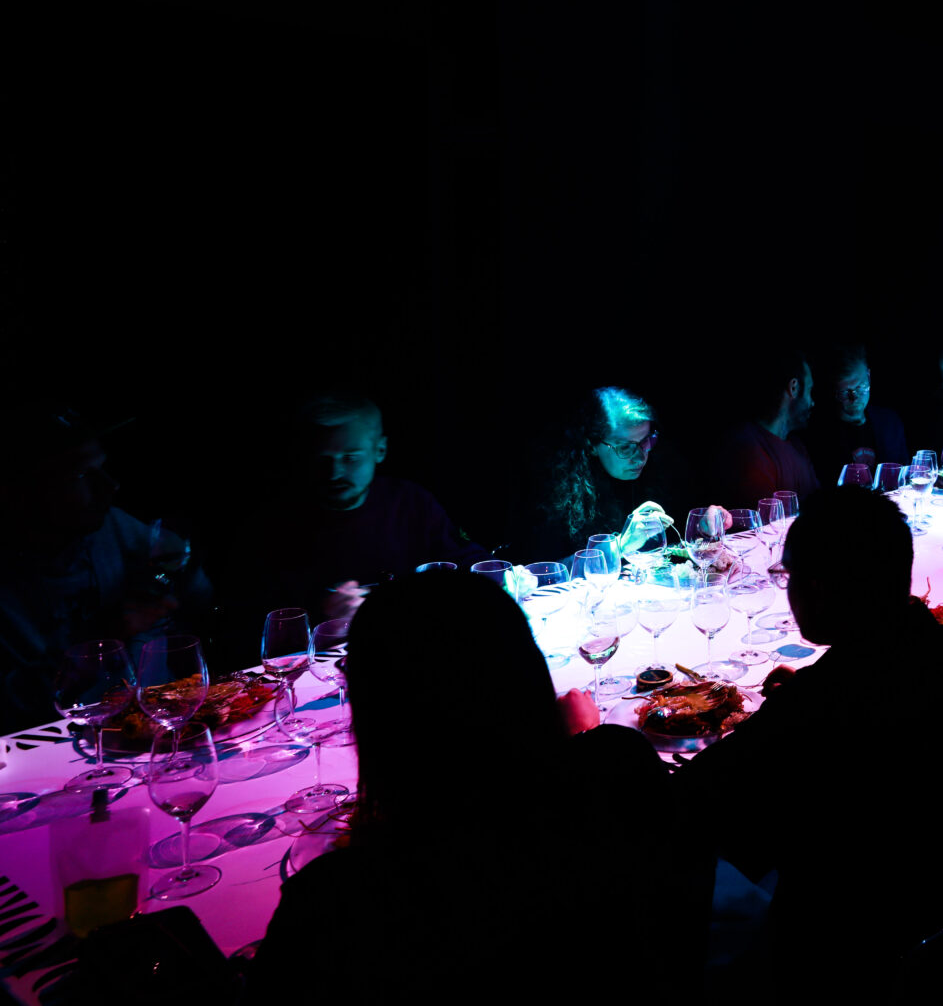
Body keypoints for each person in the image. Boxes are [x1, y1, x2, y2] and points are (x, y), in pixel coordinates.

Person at [247, 572, 707, 1002]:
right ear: (527, 668)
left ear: (375, 715)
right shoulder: (618, 769)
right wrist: (581, 740)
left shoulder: (335, 906)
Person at [681, 487, 943, 988]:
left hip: (858, 964)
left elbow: (686, 810)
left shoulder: (812, 711)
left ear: (817, 588)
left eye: (791, 576)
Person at [0, 405, 215, 733]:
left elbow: (193, 585)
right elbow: (20, 708)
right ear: (22, 493)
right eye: (82, 475)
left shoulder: (107, 527)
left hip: (159, 725)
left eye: (103, 469)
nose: (111, 486)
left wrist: (171, 580)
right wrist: (102, 637)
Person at [223, 393, 489, 637]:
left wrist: (499, 575)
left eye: (350, 458)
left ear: (380, 451)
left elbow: (465, 559)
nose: (334, 474)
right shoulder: (273, 528)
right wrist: (323, 617)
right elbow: (247, 627)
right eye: (322, 460)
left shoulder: (409, 501)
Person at [528, 386, 692, 565]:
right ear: (591, 445)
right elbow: (541, 574)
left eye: (645, 440)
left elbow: (681, 537)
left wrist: (703, 526)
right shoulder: (558, 494)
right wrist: (620, 545)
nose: (640, 457)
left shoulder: (660, 466)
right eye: (625, 447)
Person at [712, 349, 820, 506]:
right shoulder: (747, 447)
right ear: (793, 388)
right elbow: (767, 520)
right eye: (810, 391)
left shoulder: (798, 447)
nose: (812, 402)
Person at [803, 344, 909, 491]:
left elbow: (905, 478)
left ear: (869, 376)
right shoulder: (819, 433)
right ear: (833, 390)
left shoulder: (889, 423)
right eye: (845, 392)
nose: (855, 398)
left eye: (861, 388)